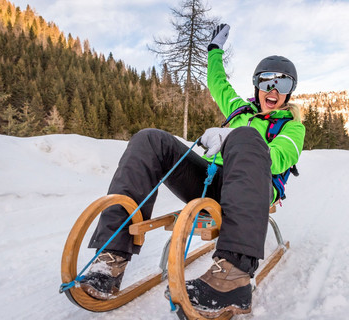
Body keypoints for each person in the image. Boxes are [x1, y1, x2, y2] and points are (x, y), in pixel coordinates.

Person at [79, 23, 305, 317]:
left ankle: (233, 274)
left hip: (252, 190)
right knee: (150, 139)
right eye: (266, 82)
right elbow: (217, 83)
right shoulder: (239, 109)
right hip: (212, 184)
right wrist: (213, 51)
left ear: (289, 93)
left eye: (282, 84)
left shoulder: (292, 126)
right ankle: (111, 257)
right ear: (257, 86)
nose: (273, 90)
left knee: (248, 138)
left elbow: (279, 157)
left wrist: (232, 140)